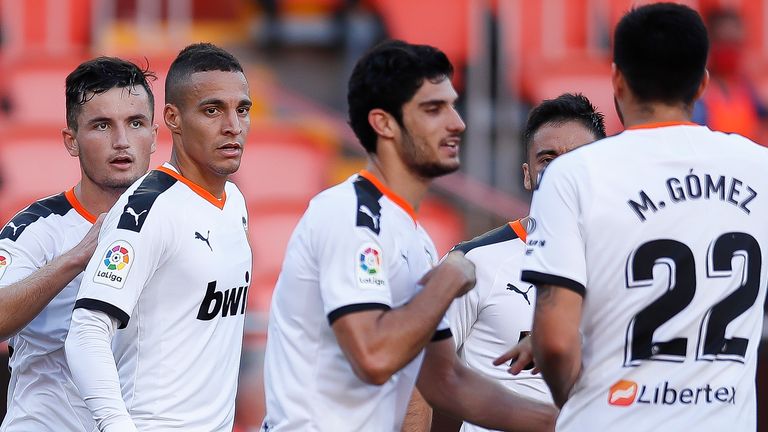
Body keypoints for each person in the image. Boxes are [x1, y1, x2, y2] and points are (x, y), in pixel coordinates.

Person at [261, 39, 556, 432]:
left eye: (452, 104)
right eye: (433, 109)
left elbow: (446, 381)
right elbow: (373, 358)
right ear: (384, 123)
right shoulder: (348, 213)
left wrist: (572, 421)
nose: (457, 122)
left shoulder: (415, 238)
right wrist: (448, 280)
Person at [521, 3, 768, 431]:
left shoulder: (572, 173)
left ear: (616, 78)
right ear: (702, 83)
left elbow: (556, 343)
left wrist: (577, 405)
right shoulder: (761, 168)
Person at [65, 43, 252, 431]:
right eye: (212, 110)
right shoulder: (148, 210)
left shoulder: (233, 201)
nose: (232, 125)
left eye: (242, 109)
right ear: (173, 118)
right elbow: (85, 333)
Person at [424, 93, 606, 432]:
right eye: (547, 158)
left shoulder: (626, 267)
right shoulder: (472, 262)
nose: (561, 170)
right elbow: (420, 376)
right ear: (528, 174)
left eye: (577, 159)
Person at [0, 57, 157, 431]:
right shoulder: (38, 227)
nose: (121, 141)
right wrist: (77, 257)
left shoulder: (178, 222)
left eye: (135, 123)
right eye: (102, 125)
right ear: (71, 141)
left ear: (154, 134)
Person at [692, 8, 767, 142]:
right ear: (710, 44)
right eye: (724, 42)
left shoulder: (747, 89)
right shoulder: (697, 93)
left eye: (735, 43)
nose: (730, 50)